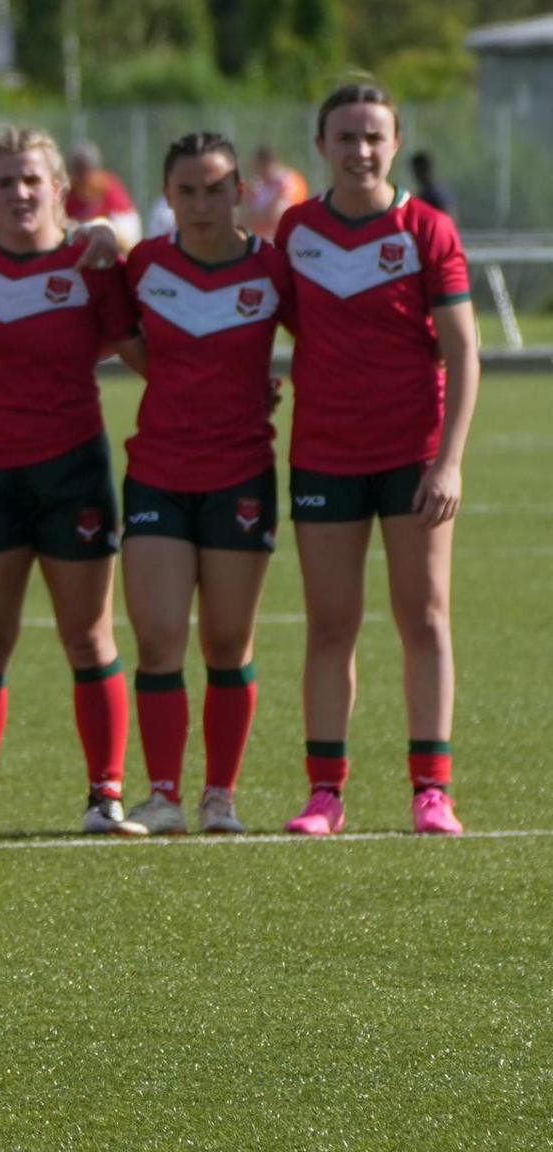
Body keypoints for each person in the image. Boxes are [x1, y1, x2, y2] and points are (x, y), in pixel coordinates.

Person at [275, 83, 478, 836]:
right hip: (324, 454)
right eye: (345, 137)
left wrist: (449, 462)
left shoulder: (427, 228)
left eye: (374, 137)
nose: (360, 150)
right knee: (332, 624)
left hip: (413, 455)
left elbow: (463, 350)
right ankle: (325, 793)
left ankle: (432, 789)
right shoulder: (295, 230)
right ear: (320, 145)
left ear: (394, 144)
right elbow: (273, 323)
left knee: (424, 617)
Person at [0, 125, 139, 837]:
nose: (21, 194)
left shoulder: (93, 263)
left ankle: (105, 796)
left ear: (59, 189)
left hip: (73, 469)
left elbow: (145, 352)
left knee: (88, 639)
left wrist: (236, 387)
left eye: (33, 181)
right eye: (5, 182)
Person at [113, 132, 292, 835]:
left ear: (239, 190)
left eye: (215, 188)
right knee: (159, 637)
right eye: (187, 190)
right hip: (157, 471)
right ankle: (162, 797)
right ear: (167, 196)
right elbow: (117, 333)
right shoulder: (144, 265)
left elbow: (332, 336)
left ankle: (220, 795)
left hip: (241, 472)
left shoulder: (273, 269)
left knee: (226, 641)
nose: (201, 202)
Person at [66, 141, 142, 248]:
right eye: (78, 171)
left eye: (87, 170)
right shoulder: (69, 196)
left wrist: (90, 228)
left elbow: (127, 240)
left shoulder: (110, 190)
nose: (84, 177)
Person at [243, 145, 306, 240]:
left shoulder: (287, 181)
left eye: (257, 167)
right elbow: (244, 220)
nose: (256, 171)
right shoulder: (257, 186)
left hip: (288, 239)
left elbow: (276, 217)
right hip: (263, 240)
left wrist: (258, 217)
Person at [410, 151, 455, 218]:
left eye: (416, 170)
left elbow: (448, 213)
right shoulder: (430, 190)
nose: (415, 174)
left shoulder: (433, 191)